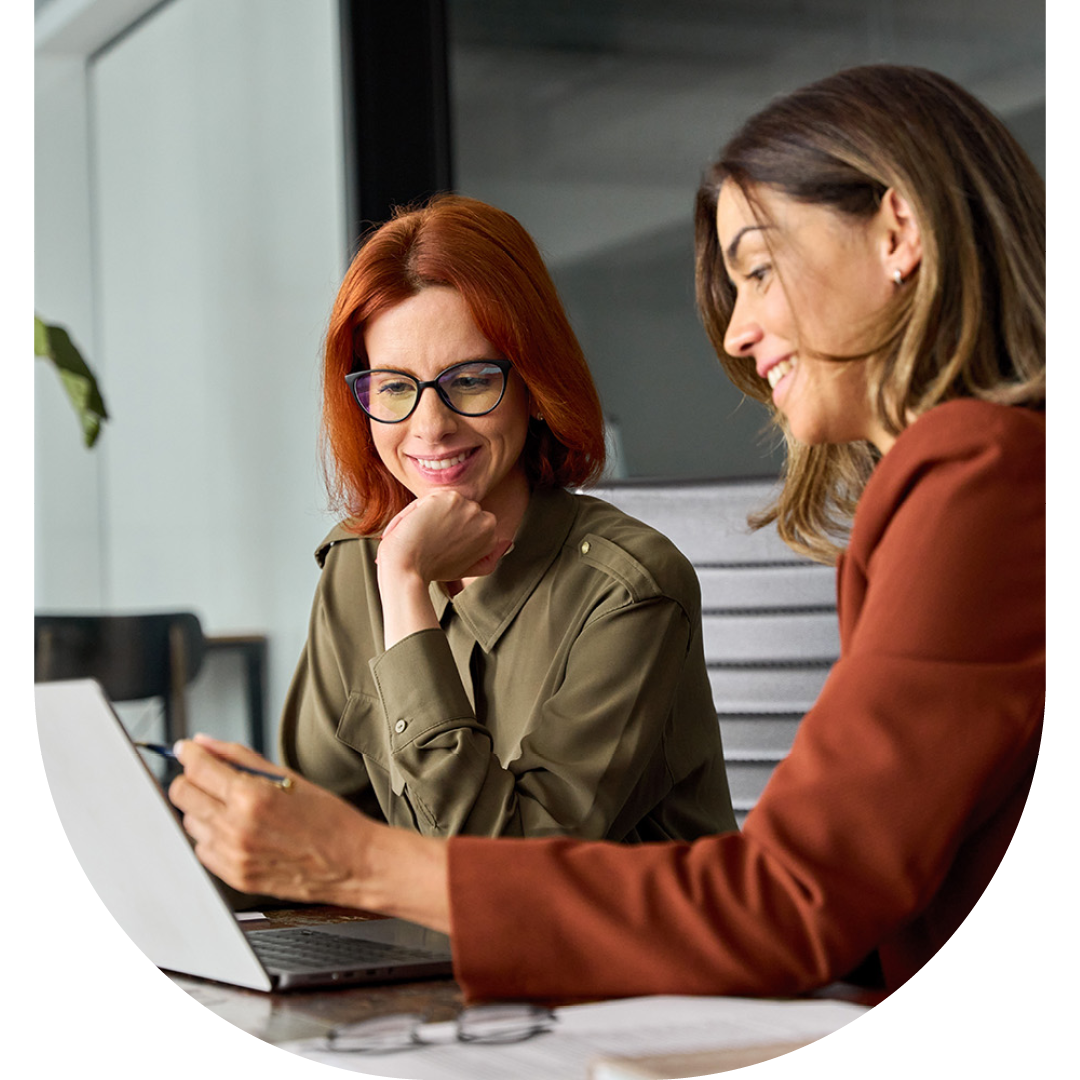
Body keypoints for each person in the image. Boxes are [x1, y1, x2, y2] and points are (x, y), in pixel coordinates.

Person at [171, 65, 1075, 999]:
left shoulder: (985, 479)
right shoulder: (956, 484)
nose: (737, 333)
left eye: (759, 268)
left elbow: (791, 899)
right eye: (393, 388)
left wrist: (356, 862)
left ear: (898, 233)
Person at [274, 194, 734, 842]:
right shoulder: (356, 565)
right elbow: (310, 831)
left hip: (588, 943)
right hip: (414, 944)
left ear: (535, 387)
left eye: (468, 380)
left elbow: (505, 874)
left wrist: (406, 590)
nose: (430, 427)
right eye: (395, 388)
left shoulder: (629, 592)